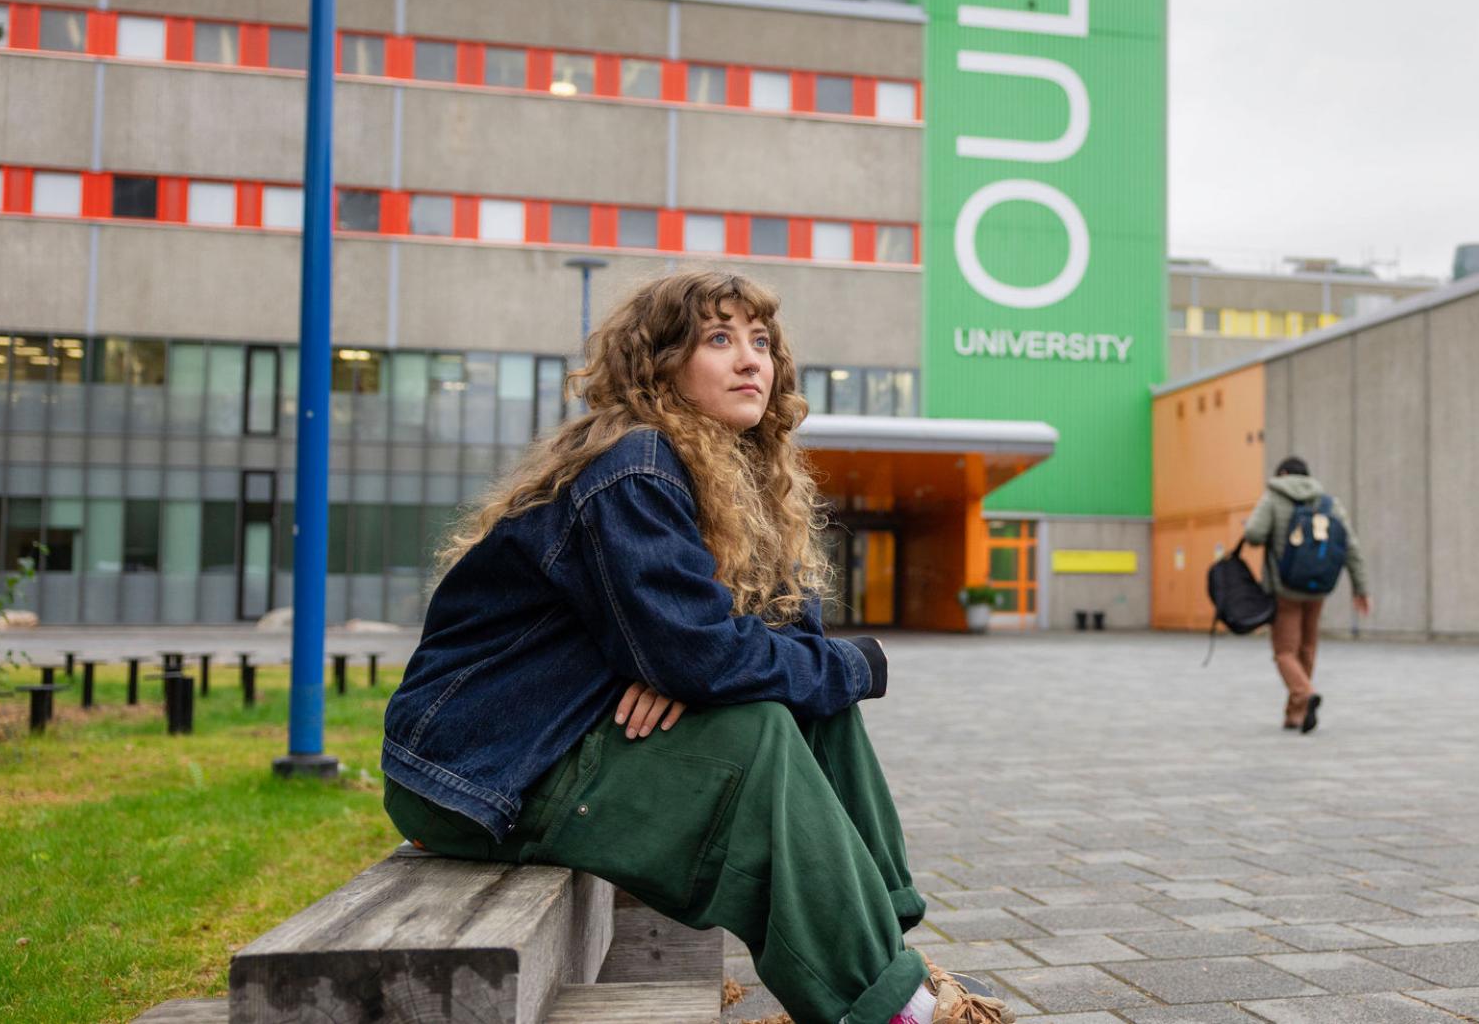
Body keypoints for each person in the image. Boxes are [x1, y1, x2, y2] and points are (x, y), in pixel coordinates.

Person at [379, 270, 1010, 1024]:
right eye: (719, 339)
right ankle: (888, 1008)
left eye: (761, 341)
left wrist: (703, 663)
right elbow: (701, 657)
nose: (752, 361)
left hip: (564, 742)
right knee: (762, 729)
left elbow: (761, 643)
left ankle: (888, 952)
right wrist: (788, 663)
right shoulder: (633, 468)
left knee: (811, 706)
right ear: (661, 365)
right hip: (476, 772)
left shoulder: (743, 479)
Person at [1242, 456, 1370, 732]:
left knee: (1285, 651)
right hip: (1318, 589)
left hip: (1285, 589)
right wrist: (1360, 589)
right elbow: (1351, 547)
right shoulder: (1328, 502)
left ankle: (1303, 693)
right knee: (1307, 646)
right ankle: (1296, 714)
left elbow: (1253, 533)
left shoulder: (1273, 497)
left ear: (1283, 473)